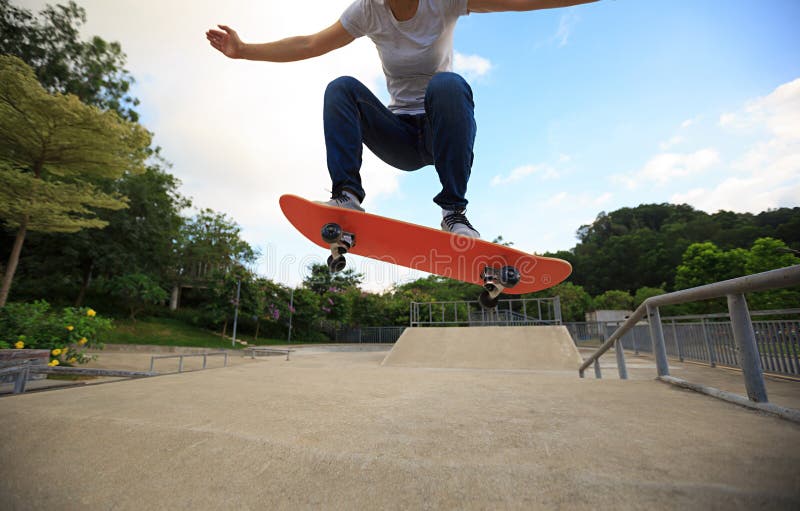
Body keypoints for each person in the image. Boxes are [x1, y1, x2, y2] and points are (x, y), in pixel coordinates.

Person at [207, 0, 599, 238]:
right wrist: (244, 50)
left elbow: (519, 2)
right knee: (341, 87)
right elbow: (311, 43)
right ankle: (347, 196)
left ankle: (454, 212)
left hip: (440, 130)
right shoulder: (368, 10)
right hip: (399, 137)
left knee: (447, 85)